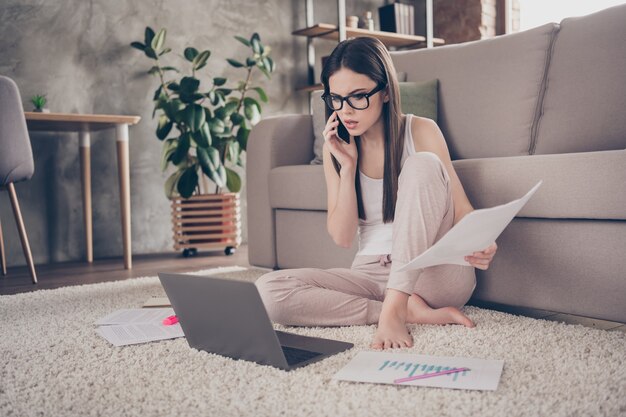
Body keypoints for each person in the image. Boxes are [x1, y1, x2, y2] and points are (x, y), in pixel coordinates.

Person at [255, 37, 497, 350]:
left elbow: (461, 208)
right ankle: (398, 310)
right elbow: (343, 237)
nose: (345, 111)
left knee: (422, 164)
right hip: (370, 275)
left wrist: (482, 237)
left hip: (432, 272)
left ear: (385, 91)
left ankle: (396, 308)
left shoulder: (420, 130)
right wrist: (347, 168)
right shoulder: (336, 152)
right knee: (268, 291)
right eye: (336, 99)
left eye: (357, 97)